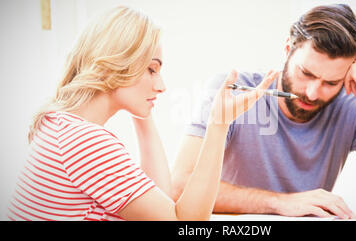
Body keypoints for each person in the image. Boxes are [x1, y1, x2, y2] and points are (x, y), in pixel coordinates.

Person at [7, 6, 278, 221]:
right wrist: (219, 123)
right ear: (115, 63)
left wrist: (143, 112)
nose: (161, 86)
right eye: (151, 69)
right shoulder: (87, 141)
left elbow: (161, 199)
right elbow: (186, 224)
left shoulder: (58, 124)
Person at [171, 4, 356, 219]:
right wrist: (279, 203)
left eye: (331, 82)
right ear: (287, 50)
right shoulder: (232, 91)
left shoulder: (353, 106)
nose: (313, 93)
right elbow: (180, 185)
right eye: (306, 73)